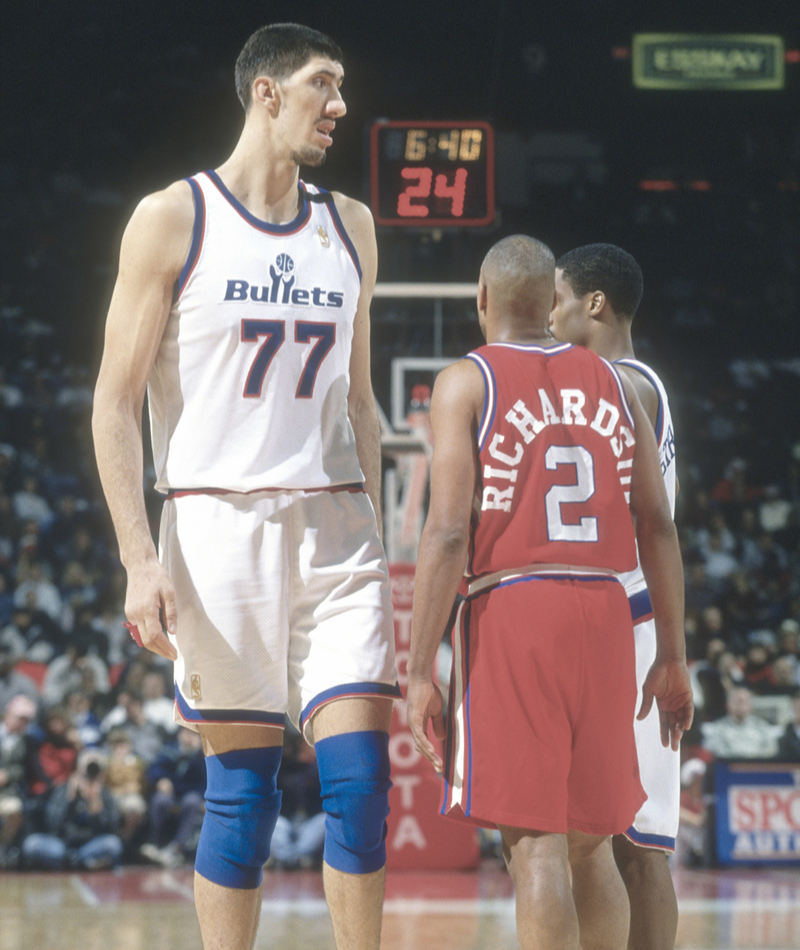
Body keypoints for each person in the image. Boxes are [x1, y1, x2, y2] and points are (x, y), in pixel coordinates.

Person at [91, 23, 399, 950]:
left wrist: (378, 533)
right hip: (217, 528)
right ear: (267, 93)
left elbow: (364, 404)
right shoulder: (171, 217)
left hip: (336, 526)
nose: (341, 105)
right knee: (242, 800)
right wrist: (138, 560)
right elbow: (113, 403)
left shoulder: (353, 225)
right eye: (323, 84)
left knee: (361, 789)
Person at [406, 235, 693, 950]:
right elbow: (658, 525)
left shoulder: (465, 382)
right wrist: (675, 655)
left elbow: (445, 535)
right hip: (606, 612)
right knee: (593, 842)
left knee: (536, 846)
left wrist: (417, 670)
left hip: (516, 603)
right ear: (549, 303)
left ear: (482, 299)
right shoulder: (616, 384)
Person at [549, 242, 681, 950]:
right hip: (617, 624)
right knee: (600, 840)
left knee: (640, 844)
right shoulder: (635, 379)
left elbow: (652, 525)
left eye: (559, 297)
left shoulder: (621, 385)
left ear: (594, 304)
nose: (549, 312)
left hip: (633, 626)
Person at [21, 748, 124, 870]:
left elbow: (111, 828)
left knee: (113, 844)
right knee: (32, 844)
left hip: (90, 845)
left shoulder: (105, 794)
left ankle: (73, 862)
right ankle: (82, 864)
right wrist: (69, 799)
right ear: (78, 769)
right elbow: (52, 823)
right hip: (61, 845)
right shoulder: (63, 790)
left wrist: (96, 805)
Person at [701, 685, 780, 758]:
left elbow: (772, 748)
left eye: (745, 702)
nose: (741, 705)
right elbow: (711, 749)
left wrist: (754, 759)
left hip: (756, 768)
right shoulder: (716, 729)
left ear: (751, 706)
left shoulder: (762, 727)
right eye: (738, 701)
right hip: (728, 768)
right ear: (728, 704)